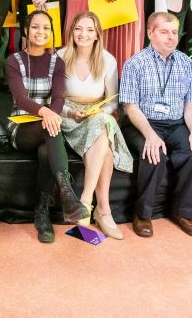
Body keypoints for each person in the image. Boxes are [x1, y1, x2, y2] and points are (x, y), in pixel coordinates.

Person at [121, 12, 192, 238]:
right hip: (143, 123)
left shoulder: (187, 64)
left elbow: (191, 106)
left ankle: (183, 213)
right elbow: (131, 108)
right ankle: (142, 214)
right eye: (164, 32)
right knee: (154, 152)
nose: (171, 37)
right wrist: (149, 134)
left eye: (174, 32)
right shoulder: (135, 64)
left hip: (177, 122)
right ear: (150, 33)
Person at [6, 11, 89, 243]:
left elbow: (59, 98)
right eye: (35, 27)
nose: (40, 32)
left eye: (45, 28)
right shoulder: (14, 61)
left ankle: (42, 211)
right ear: (26, 30)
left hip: (47, 127)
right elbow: (21, 98)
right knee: (51, 128)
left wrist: (50, 114)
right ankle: (68, 196)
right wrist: (46, 113)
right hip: (21, 128)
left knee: (46, 151)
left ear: (51, 32)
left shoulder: (57, 62)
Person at [58, 12, 132, 240]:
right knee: (106, 149)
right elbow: (55, 99)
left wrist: (100, 112)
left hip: (97, 113)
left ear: (97, 35)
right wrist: (70, 112)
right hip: (68, 115)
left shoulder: (108, 60)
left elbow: (112, 101)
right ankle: (102, 210)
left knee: (102, 126)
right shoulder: (61, 57)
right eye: (79, 29)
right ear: (72, 32)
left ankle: (86, 202)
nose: (84, 34)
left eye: (90, 30)